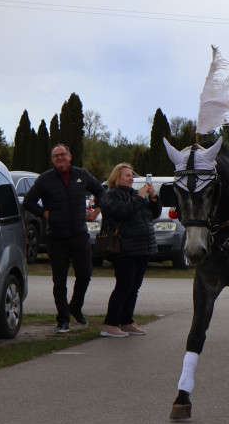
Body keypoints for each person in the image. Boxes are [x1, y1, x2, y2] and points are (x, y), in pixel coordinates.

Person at [23, 144, 105, 333]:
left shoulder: (81, 175)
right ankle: (63, 319)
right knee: (59, 281)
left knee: (85, 275)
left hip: (79, 234)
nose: (60, 158)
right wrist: (45, 213)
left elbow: (101, 191)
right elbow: (28, 201)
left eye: (63, 154)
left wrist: (96, 211)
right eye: (56, 156)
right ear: (52, 160)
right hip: (56, 237)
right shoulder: (45, 179)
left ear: (70, 156)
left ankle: (75, 307)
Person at [97, 163, 161, 338]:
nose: (131, 178)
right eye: (127, 175)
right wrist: (140, 198)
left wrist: (153, 198)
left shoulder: (135, 194)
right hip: (124, 248)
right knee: (124, 285)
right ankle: (110, 324)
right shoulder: (111, 195)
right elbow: (122, 213)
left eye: (132, 175)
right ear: (117, 177)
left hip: (142, 247)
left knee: (134, 287)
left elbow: (153, 214)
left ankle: (126, 322)